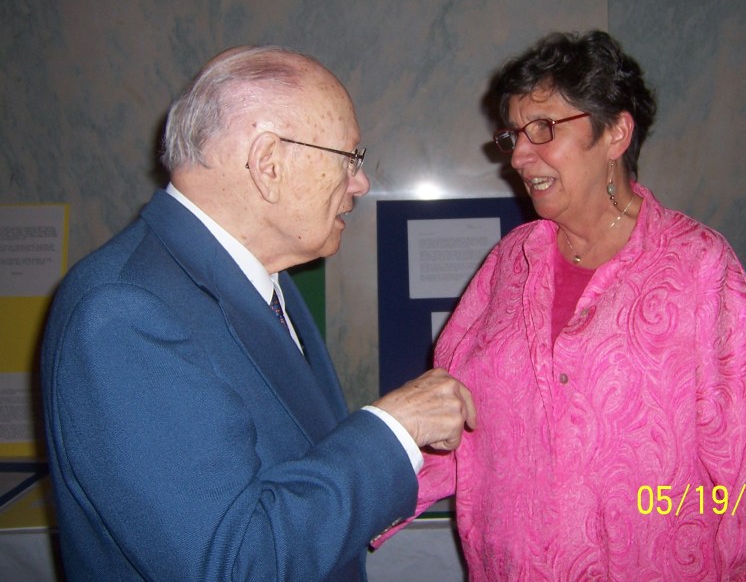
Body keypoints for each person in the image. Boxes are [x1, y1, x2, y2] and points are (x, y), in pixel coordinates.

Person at [40, 46, 476, 581]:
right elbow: (232, 563)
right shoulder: (124, 312)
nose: (359, 183)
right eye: (350, 157)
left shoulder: (267, 281)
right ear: (269, 162)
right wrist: (396, 431)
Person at [373, 30, 746, 580]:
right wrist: (357, 498)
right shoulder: (509, 264)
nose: (520, 157)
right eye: (515, 135)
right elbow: (451, 419)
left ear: (616, 133)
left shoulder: (698, 266)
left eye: (544, 129)